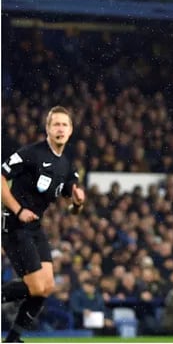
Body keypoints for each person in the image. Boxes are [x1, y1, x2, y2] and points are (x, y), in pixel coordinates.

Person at [2, 105, 86, 342]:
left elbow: (73, 210)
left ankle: (13, 339)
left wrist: (78, 204)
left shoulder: (68, 166)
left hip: (35, 228)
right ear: (47, 129)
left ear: (71, 131)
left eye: (65, 124)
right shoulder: (31, 153)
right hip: (14, 225)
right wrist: (18, 210)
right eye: (56, 124)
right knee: (37, 287)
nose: (60, 128)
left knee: (46, 287)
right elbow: (0, 179)